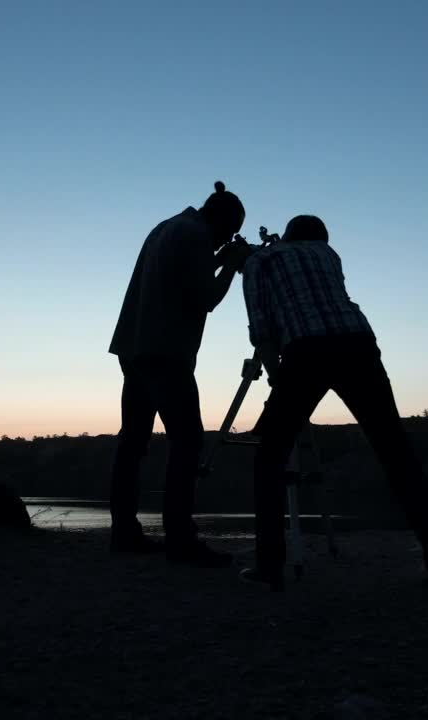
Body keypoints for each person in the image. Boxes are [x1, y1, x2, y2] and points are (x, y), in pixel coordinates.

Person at [237, 214, 428, 592]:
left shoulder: (261, 261)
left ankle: (269, 565)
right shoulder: (329, 254)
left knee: (270, 456)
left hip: (306, 349)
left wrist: (276, 373)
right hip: (359, 344)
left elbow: (262, 325)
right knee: (396, 453)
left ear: (287, 234)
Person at [108, 181, 255, 567]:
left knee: (133, 443)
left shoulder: (169, 227)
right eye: (228, 230)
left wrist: (222, 255)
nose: (226, 238)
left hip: (135, 346)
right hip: (166, 351)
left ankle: (124, 533)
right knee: (187, 441)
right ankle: (181, 541)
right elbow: (205, 297)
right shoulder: (193, 235)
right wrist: (234, 266)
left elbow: (182, 277)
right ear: (222, 219)